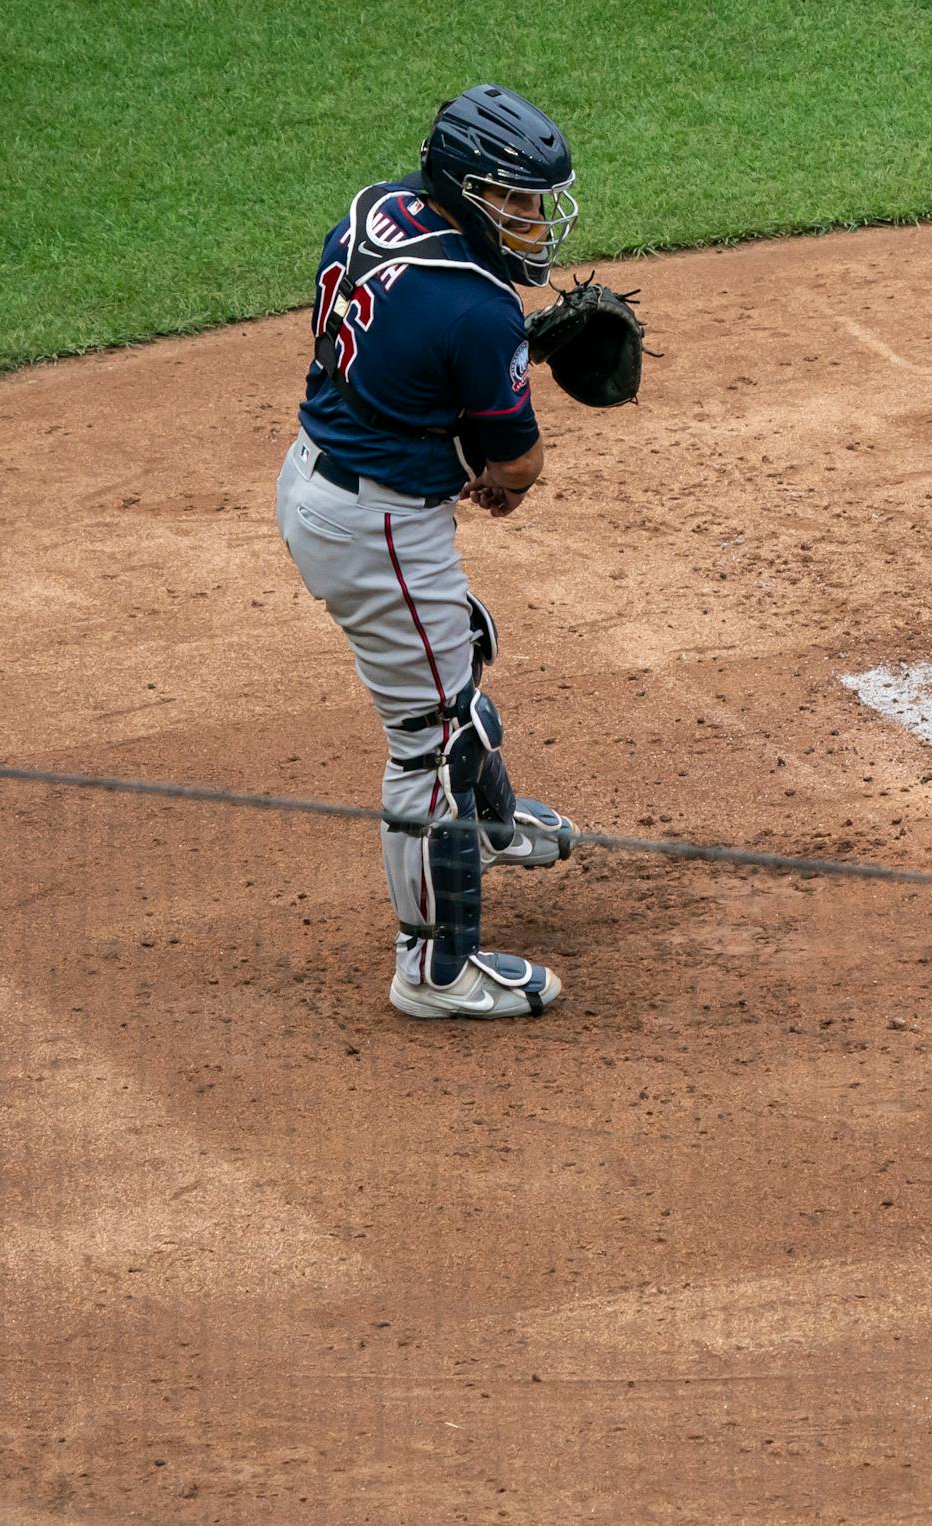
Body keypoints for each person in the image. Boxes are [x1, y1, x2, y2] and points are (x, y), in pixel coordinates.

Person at [275, 84, 587, 1020]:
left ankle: (489, 829)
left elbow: (399, 357)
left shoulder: (376, 208)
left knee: (461, 650)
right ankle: (434, 969)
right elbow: (516, 464)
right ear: (466, 187)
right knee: (431, 740)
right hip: (377, 526)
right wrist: (498, 449)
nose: (533, 221)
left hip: (319, 474)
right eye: (516, 200)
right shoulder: (479, 313)